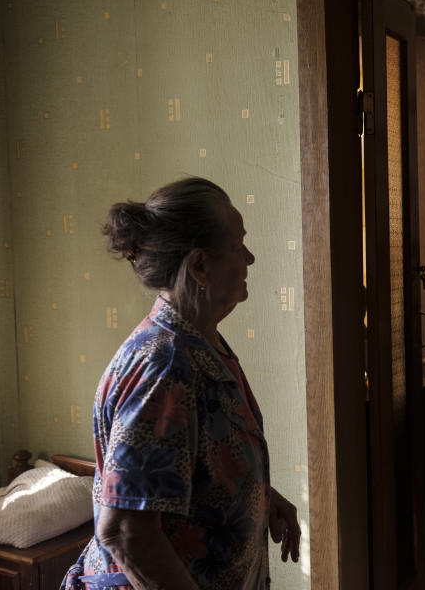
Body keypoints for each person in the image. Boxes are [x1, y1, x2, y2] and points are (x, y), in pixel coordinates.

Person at [62, 177, 300, 590]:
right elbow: (124, 532)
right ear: (200, 266)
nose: (250, 257)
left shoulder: (199, 341)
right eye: (239, 244)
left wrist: (258, 494)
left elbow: (187, 464)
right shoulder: (165, 367)